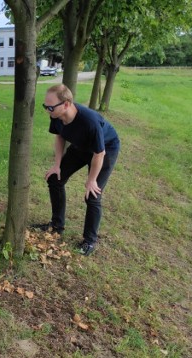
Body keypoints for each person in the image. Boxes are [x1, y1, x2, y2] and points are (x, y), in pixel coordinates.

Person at [36, 84, 120, 256]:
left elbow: (99, 153)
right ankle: (57, 225)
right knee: (55, 179)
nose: (47, 110)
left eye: (50, 107)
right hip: (80, 146)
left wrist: (91, 180)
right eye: (46, 106)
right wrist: (57, 165)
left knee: (93, 194)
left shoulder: (89, 121)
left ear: (66, 104)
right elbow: (59, 137)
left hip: (105, 149)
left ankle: (89, 241)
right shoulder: (56, 116)